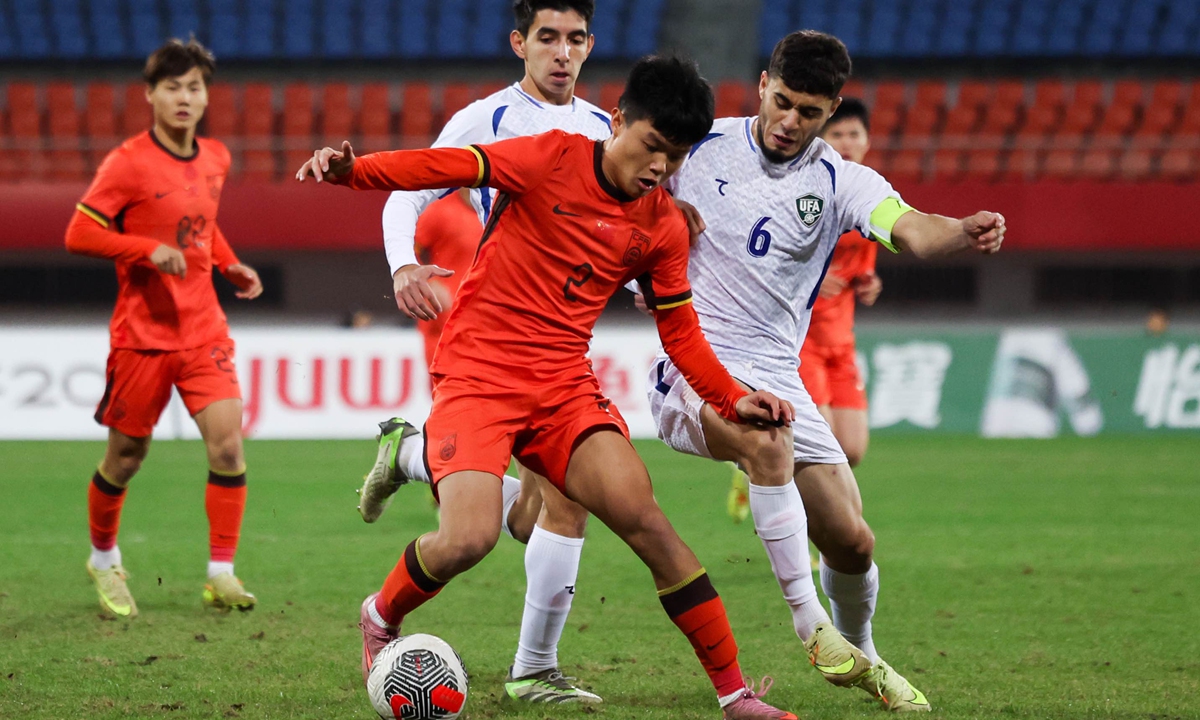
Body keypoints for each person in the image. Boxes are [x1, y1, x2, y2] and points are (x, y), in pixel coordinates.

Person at [299, 55, 800, 720]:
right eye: (651, 145)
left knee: (647, 523)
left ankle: (735, 694)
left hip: (562, 385)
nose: (658, 167)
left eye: (674, 156)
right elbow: (445, 166)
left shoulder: (663, 225)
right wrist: (354, 173)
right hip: (478, 374)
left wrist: (729, 397)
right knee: (468, 539)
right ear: (617, 120)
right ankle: (380, 612)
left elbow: (681, 333)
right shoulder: (548, 158)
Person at [629, 31, 1005, 711]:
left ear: (831, 110)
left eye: (807, 111)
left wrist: (961, 231)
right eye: (781, 102)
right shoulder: (701, 145)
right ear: (764, 83)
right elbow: (624, 181)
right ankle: (813, 625)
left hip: (779, 375)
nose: (788, 122)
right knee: (765, 441)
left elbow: (912, 227)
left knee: (853, 542)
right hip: (690, 365)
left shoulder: (841, 180)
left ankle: (862, 655)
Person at [358, 0, 695, 704]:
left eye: (575, 39)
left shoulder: (610, 128)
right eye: (548, 38)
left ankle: (415, 457)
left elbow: (642, 226)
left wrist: (647, 276)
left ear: (590, 45)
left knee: (538, 515)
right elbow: (411, 188)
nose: (562, 53)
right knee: (503, 524)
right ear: (520, 43)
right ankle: (530, 665)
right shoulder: (489, 119)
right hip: (492, 333)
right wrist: (402, 266)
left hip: (562, 347)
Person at [65, 37, 264, 619]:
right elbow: (80, 233)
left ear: (206, 97)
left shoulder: (216, 158)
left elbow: (201, 226)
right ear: (150, 94)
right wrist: (145, 250)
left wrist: (227, 262)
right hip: (143, 336)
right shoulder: (126, 163)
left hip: (204, 330)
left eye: (194, 87)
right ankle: (103, 559)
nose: (184, 97)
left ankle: (221, 574)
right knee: (126, 455)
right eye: (172, 86)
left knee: (228, 445)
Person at [728, 97, 879, 522]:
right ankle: (811, 535)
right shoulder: (801, 188)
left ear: (868, 140)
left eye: (855, 134)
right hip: (802, 343)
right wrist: (808, 277)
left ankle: (747, 468)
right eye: (838, 135)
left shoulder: (863, 193)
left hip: (841, 343)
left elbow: (857, 268)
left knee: (852, 449)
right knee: (815, 446)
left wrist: (867, 282)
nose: (847, 143)